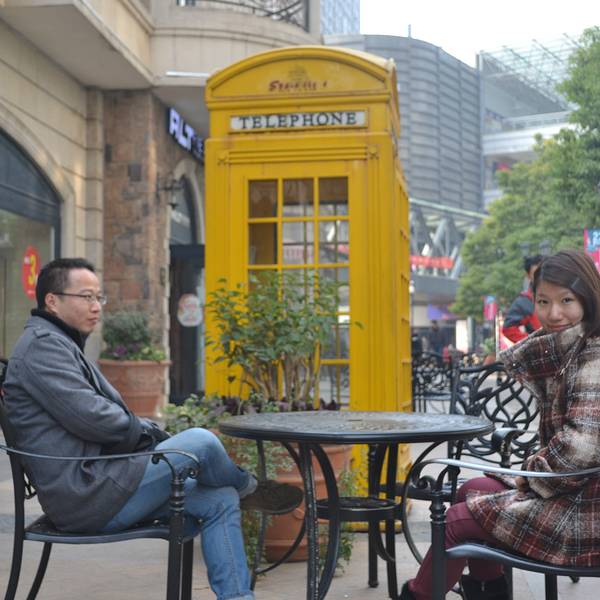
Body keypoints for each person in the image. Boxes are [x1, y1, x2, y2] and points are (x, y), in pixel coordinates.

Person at [2, 258, 303, 600]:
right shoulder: (42, 346)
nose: (96, 306)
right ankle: (250, 487)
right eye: (86, 297)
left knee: (220, 498)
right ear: (52, 301)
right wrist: (149, 433)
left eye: (99, 297)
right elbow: (92, 417)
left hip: (104, 480)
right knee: (201, 442)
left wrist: (146, 434)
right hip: (85, 494)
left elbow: (97, 416)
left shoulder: (60, 341)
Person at [400, 249, 600, 600]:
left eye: (566, 300)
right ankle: (489, 592)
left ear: (588, 298)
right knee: (470, 490)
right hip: (572, 491)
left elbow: (579, 449)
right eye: (543, 301)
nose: (554, 313)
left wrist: (529, 476)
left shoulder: (593, 355)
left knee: (454, 524)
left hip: (585, 511)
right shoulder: (570, 348)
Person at [501, 254, 543, 343]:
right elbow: (508, 329)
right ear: (528, 275)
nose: (541, 277)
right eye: (536, 274)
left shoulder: (563, 293)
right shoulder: (524, 302)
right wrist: (532, 343)